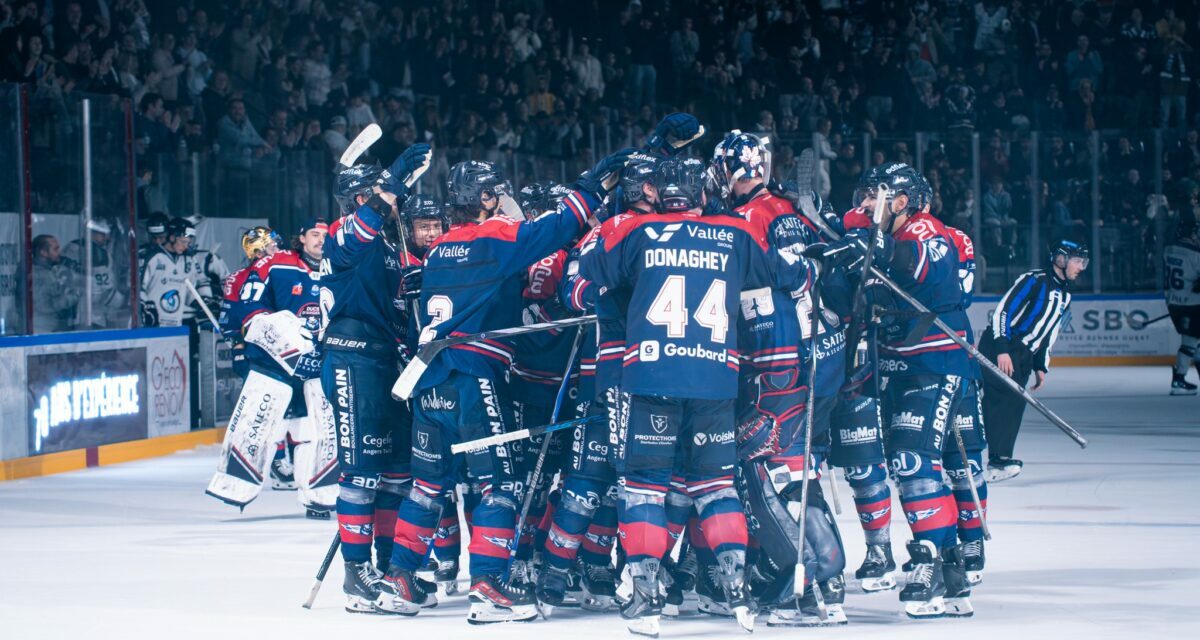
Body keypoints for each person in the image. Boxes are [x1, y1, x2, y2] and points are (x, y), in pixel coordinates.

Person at [378, 149, 627, 624]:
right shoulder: (491, 237)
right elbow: (552, 230)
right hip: (473, 377)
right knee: (500, 484)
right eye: (499, 195)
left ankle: (400, 578)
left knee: (428, 485)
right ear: (488, 198)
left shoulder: (442, 247)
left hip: (428, 380)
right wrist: (593, 188)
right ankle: (489, 587)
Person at [580, 157, 817, 636]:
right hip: (714, 381)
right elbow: (789, 276)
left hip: (651, 378)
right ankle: (735, 588)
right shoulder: (733, 232)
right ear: (701, 195)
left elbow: (590, 268)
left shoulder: (638, 232)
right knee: (715, 486)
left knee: (645, 485)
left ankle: (646, 595)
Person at [319, 148, 430, 614]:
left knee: (398, 472)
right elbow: (361, 229)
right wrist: (391, 181)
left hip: (386, 361)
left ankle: (386, 569)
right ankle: (355, 573)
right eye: (379, 195)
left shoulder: (388, 247)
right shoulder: (344, 233)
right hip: (351, 360)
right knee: (362, 471)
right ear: (358, 197)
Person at [207, 217, 337, 518]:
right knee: (263, 425)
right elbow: (251, 310)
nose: (320, 240)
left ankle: (317, 496)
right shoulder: (276, 264)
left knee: (317, 432)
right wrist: (286, 346)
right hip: (274, 365)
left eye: (325, 235)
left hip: (317, 364)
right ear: (301, 238)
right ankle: (234, 484)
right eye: (314, 234)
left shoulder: (337, 268)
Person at [981, 239, 1087, 481]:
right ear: (1061, 259)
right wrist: (1001, 348)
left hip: (1024, 355)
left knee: (1014, 404)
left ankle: (999, 459)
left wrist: (1041, 365)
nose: (1081, 267)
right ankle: (995, 459)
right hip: (1002, 346)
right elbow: (1002, 312)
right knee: (1002, 400)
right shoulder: (1034, 280)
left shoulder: (1065, 295)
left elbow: (1049, 332)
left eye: (1083, 262)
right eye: (1078, 261)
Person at [63, 219, 122, 329]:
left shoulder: (71, 247)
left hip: (83, 316)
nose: (107, 238)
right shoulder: (76, 249)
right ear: (91, 232)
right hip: (84, 315)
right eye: (103, 234)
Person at [1164, 218, 1200, 394]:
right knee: (1190, 342)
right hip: (1192, 304)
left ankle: (1180, 378)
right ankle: (1179, 380)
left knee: (1194, 342)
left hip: (1174, 303)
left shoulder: (1168, 250)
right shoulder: (1196, 253)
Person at [31, 234, 80, 333]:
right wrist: (74, 296)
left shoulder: (48, 271)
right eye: (55, 249)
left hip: (48, 329)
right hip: (43, 331)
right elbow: (45, 306)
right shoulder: (39, 275)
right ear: (43, 253)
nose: (59, 253)